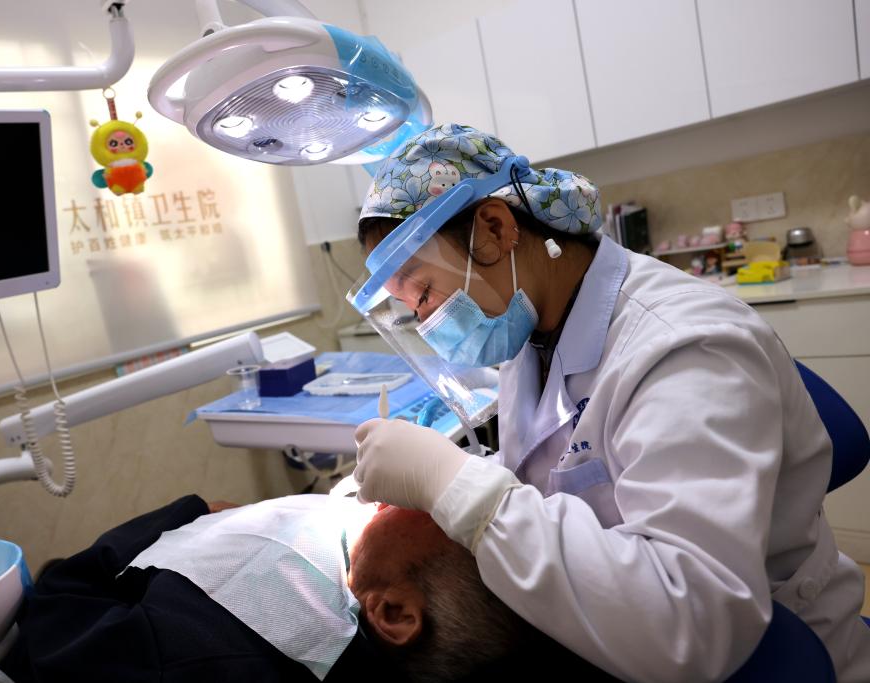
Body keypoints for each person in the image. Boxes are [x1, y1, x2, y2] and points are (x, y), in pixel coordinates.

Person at [349, 123, 870, 682]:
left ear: (495, 230)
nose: (427, 322)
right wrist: (456, 479)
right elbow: (557, 464)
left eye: (424, 292)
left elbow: (694, 624)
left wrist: (456, 488)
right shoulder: (534, 327)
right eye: (411, 307)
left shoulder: (686, 349)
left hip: (778, 653)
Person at [0, 493, 612, 682]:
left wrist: (190, 510)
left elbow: (52, 610)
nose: (423, 499)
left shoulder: (196, 654)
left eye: (438, 520)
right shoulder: (369, 602)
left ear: (393, 613)